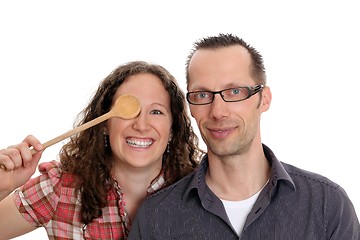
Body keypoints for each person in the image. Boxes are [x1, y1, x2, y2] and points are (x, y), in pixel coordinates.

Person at [128, 34, 360, 239]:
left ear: (264, 99)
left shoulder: (327, 205)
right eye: (202, 95)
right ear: (191, 107)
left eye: (235, 92)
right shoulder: (155, 218)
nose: (218, 111)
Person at [0, 61, 203, 239]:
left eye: (156, 111)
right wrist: (4, 186)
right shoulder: (59, 188)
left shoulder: (201, 192)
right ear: (105, 124)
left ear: (172, 129)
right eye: (129, 111)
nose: (141, 125)